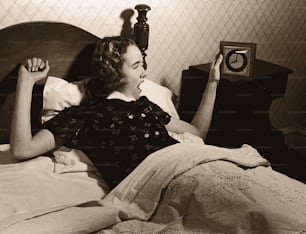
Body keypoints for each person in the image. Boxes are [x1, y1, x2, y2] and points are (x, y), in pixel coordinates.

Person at [10, 37, 223, 189]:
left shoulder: (145, 106)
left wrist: (213, 83)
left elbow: (197, 133)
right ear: (115, 74)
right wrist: (26, 82)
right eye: (137, 65)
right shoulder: (82, 116)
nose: (144, 72)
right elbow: (22, 149)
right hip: (159, 184)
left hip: (188, 165)